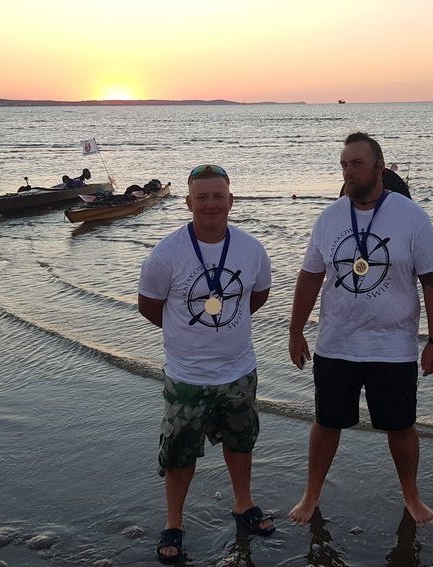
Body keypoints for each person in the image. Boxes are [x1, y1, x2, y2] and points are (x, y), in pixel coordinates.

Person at [288, 132, 433, 526]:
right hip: (336, 343)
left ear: (379, 167)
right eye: (344, 164)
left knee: (401, 427)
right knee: (326, 423)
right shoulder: (329, 217)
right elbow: (310, 277)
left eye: (357, 163)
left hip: (393, 347)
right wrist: (295, 330)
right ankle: (311, 494)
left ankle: (411, 495)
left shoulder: (412, 217)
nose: (349, 171)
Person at [138, 164, 275, 563]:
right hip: (187, 375)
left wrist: (223, 329)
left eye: (218, 196)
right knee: (179, 452)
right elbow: (150, 307)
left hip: (239, 370)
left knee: (241, 441)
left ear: (231, 200)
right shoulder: (166, 254)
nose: (210, 204)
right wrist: (191, 335)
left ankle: (244, 503)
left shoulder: (252, 249)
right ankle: (174, 523)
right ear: (188, 202)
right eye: (202, 197)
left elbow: (256, 297)